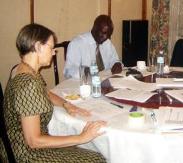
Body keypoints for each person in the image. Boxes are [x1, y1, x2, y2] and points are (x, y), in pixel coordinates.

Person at [3, 23, 107, 162]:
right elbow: (33, 141)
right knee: (98, 158)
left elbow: (44, 92)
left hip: (14, 142)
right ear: (38, 47)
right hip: (26, 153)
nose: (54, 52)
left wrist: (66, 104)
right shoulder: (28, 83)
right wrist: (81, 137)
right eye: (51, 48)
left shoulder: (22, 69)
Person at [64, 15, 122, 79]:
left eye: (108, 35)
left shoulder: (107, 43)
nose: (105, 37)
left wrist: (117, 64)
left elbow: (114, 59)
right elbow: (68, 71)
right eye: (103, 33)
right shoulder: (77, 44)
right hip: (84, 84)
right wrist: (87, 71)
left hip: (105, 82)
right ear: (95, 28)